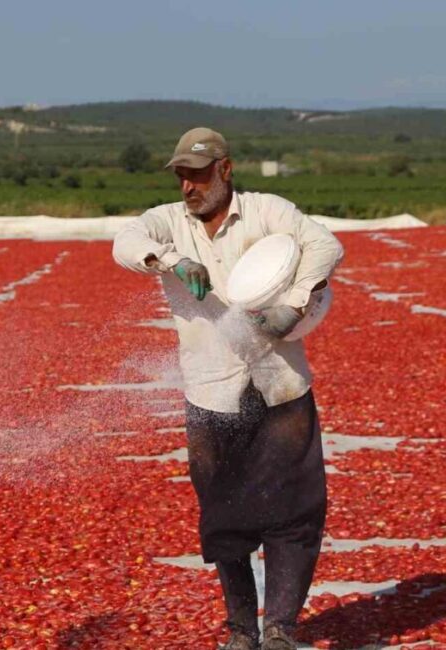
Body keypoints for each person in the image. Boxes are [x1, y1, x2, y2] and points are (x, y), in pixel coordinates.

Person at [112, 127, 344, 650]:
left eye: (197, 175)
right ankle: (241, 630)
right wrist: (173, 261)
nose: (189, 187)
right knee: (225, 516)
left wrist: (296, 301)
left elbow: (325, 244)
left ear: (226, 169)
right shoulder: (169, 223)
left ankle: (281, 629)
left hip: (280, 388)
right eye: (182, 177)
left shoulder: (266, 211)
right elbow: (124, 243)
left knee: (295, 512)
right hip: (211, 394)